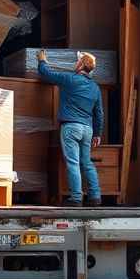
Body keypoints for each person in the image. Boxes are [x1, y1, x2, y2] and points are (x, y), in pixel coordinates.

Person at [37, 50, 104, 207]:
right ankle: (95, 196)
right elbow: (99, 113)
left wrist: (41, 60)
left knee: (73, 163)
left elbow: (46, 73)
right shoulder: (95, 88)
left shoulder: (69, 79)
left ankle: (76, 198)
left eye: (78, 61)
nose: (75, 63)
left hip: (71, 127)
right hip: (87, 130)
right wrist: (98, 133)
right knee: (86, 163)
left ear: (80, 65)